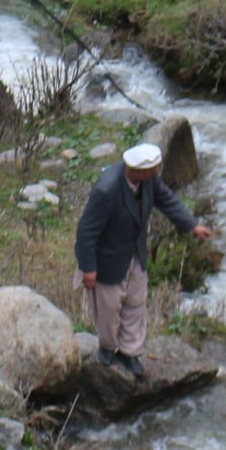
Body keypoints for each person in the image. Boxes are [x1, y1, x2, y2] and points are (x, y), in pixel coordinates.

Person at [73, 142, 214, 376]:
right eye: (153, 169)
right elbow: (86, 232)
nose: (157, 173)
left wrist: (192, 225)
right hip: (108, 258)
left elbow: (167, 200)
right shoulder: (106, 191)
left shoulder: (148, 181)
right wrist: (89, 268)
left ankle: (129, 352)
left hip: (134, 252)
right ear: (136, 170)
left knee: (135, 303)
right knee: (108, 308)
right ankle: (108, 348)